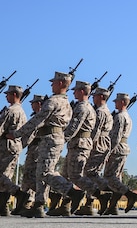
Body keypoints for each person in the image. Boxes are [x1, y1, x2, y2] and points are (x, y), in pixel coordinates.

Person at [6, 72, 84, 218]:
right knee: (40, 172)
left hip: (50, 138)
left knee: (45, 172)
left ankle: (72, 192)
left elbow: (37, 121)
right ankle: (39, 204)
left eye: (53, 82)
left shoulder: (53, 101)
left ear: (60, 83)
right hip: (54, 137)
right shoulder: (66, 102)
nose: (51, 84)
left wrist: (16, 134)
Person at [51, 80, 96, 216]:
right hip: (76, 144)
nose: (74, 93)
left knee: (75, 175)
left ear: (82, 91)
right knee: (66, 175)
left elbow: (74, 127)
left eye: (76, 90)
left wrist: (61, 139)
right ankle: (65, 205)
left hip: (79, 144)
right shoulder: (82, 106)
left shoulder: (82, 108)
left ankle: (100, 193)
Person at [75, 87, 113, 215]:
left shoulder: (101, 112)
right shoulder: (102, 111)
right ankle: (93, 200)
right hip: (101, 144)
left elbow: (95, 132)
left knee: (90, 173)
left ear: (102, 97)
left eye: (95, 95)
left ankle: (107, 191)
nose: (93, 97)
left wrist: (89, 145)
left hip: (97, 144)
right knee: (90, 173)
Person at [102, 93, 137, 215]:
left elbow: (115, 136)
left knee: (109, 177)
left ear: (123, 102)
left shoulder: (119, 117)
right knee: (116, 178)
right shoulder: (127, 116)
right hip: (123, 148)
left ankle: (130, 195)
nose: (115, 103)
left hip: (117, 148)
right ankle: (113, 206)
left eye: (117, 101)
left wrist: (108, 152)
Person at [10, 94, 44, 215]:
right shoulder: (37, 116)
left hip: (38, 148)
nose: (31, 105)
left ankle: (32, 201)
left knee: (33, 176)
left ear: (39, 104)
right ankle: (25, 203)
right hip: (33, 148)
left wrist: (20, 146)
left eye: (34, 103)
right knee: (27, 177)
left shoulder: (42, 117)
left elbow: (30, 135)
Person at [0, 85, 29, 216]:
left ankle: (18, 193)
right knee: (6, 175)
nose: (6, 96)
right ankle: (3, 207)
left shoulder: (10, 110)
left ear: (15, 95)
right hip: (15, 145)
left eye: (8, 94)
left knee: (2, 176)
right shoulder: (22, 112)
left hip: (5, 145)